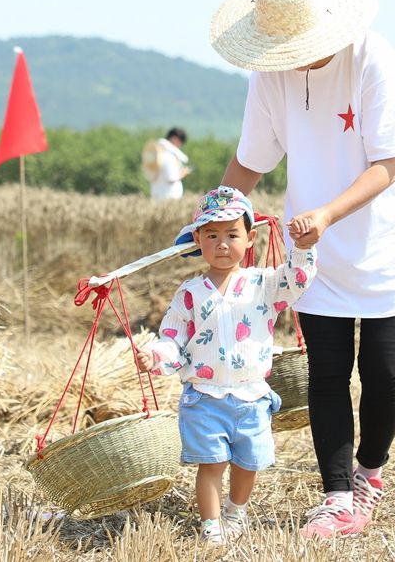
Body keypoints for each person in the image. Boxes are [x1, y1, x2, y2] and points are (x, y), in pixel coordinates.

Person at [211, 0, 395, 538]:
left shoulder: (374, 59)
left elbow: (386, 164)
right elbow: (251, 160)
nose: (294, 59)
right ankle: (338, 495)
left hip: (385, 236)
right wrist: (216, 211)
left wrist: (326, 214)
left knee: (382, 367)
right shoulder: (269, 74)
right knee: (328, 370)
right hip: (312, 246)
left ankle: (371, 471)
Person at [134, 186, 317, 545]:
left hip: (250, 396)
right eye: (212, 235)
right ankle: (212, 525)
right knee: (212, 464)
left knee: (248, 464)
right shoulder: (189, 293)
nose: (221, 244)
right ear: (197, 240)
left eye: (231, 235)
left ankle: (236, 510)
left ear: (249, 239)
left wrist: (305, 247)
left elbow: (297, 279)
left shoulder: (262, 284)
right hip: (205, 396)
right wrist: (154, 355)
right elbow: (173, 337)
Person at [142, 127, 190, 200]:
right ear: (175, 139)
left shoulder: (158, 154)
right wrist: (183, 173)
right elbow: (171, 177)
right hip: (168, 198)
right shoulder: (168, 156)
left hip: (157, 195)